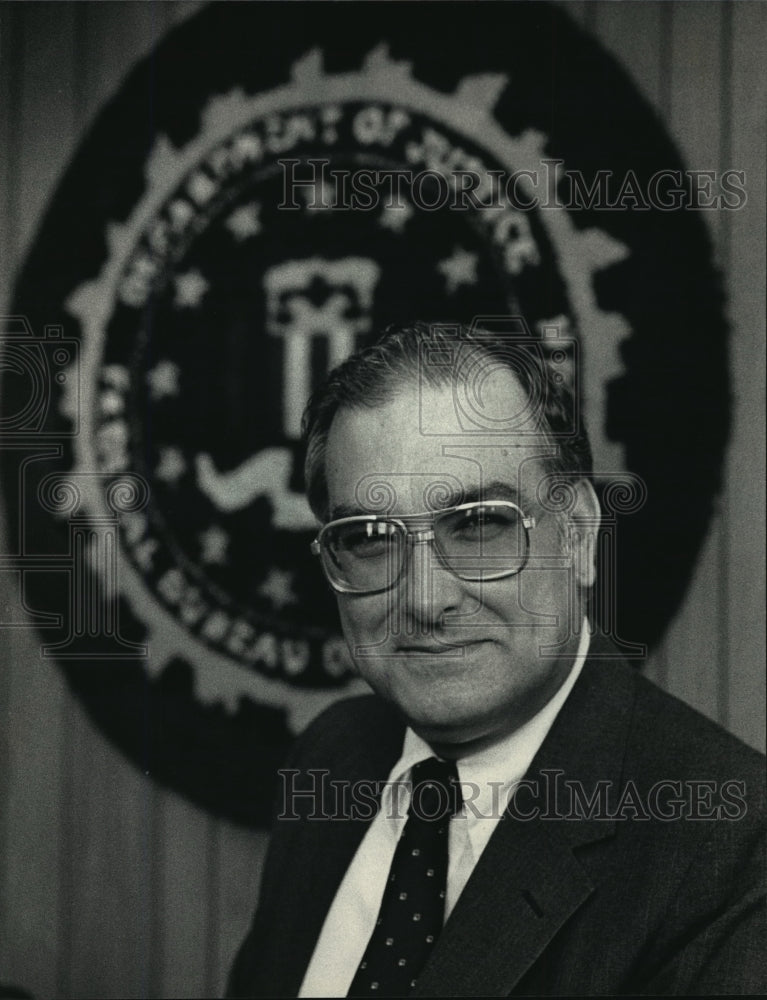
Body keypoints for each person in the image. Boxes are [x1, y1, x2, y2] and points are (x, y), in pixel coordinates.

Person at [227, 321, 765, 997]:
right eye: (369, 537)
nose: (425, 598)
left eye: (478, 523)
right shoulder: (334, 755)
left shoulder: (730, 845)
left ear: (576, 534)